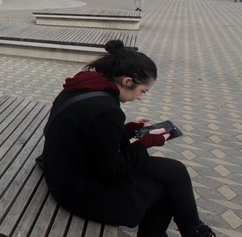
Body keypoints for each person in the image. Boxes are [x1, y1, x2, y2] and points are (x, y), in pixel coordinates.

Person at [42, 40, 216, 237]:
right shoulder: (106, 109)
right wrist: (145, 143)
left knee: (175, 171)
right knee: (164, 191)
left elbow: (90, 136)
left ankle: (194, 230)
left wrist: (127, 131)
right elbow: (110, 172)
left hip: (67, 172)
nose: (141, 97)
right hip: (80, 193)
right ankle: (192, 231)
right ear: (127, 81)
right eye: (143, 91)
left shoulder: (84, 85)